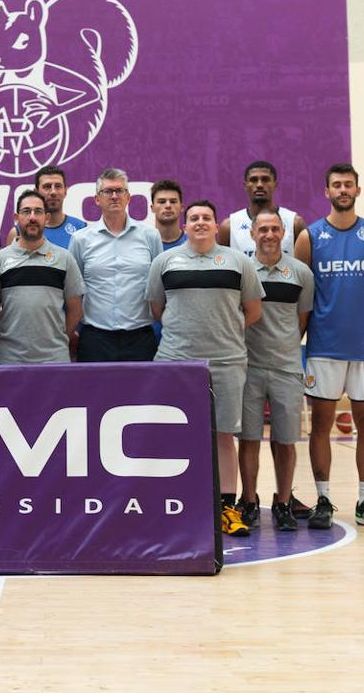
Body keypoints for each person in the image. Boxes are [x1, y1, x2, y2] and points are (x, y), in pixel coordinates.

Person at [149, 200, 263, 536]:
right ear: (185, 226)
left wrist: (221, 331)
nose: (200, 223)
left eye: (207, 218)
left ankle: (227, 508)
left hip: (227, 363)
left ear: (217, 227)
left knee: (224, 435)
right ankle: (176, 504)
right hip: (176, 362)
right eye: (194, 218)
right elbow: (158, 309)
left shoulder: (239, 262)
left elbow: (253, 311)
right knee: (173, 435)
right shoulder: (164, 262)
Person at [295, 163, 364, 530]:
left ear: (357, 189)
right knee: (321, 425)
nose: (342, 190)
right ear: (327, 191)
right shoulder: (310, 237)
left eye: (348, 184)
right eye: (336, 185)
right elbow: (302, 296)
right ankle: (323, 499)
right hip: (323, 347)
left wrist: (360, 322)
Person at [237, 211, 314, 532]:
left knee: (285, 441)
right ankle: (249, 499)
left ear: (284, 233)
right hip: (248, 368)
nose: (269, 234)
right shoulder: (241, 270)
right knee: (249, 439)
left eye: (274, 229)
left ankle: (283, 502)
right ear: (252, 233)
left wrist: (283, 349)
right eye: (262, 229)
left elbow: (302, 320)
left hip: (286, 369)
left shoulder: (300, 273)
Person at [69, 169, 162, 361]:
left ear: (128, 197)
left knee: (143, 392)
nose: (114, 196)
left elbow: (159, 287)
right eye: (108, 191)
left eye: (120, 191)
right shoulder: (80, 239)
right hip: (95, 338)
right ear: (96, 199)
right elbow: (73, 291)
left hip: (140, 337)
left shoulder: (150, 236)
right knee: (94, 392)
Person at [0, 189, 84, 363]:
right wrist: (5, 344)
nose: (32, 217)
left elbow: (76, 309)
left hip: (55, 359)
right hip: (10, 359)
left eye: (38, 211)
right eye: (26, 211)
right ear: (16, 218)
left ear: (46, 218)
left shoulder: (64, 258)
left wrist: (59, 341)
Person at [219, 161, 305, 257]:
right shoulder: (229, 226)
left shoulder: (295, 223)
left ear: (275, 184)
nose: (259, 185)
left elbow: (303, 267)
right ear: (245, 185)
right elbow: (222, 268)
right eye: (253, 180)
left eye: (265, 179)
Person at [3, 165, 88, 249]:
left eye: (58, 186)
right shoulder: (18, 232)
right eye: (47, 187)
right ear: (36, 192)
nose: (53, 192)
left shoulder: (81, 229)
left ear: (65, 191)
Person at [150, 180, 187, 251]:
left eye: (173, 201)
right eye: (162, 202)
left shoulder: (194, 243)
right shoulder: (144, 243)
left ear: (181, 208)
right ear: (152, 208)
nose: (168, 206)